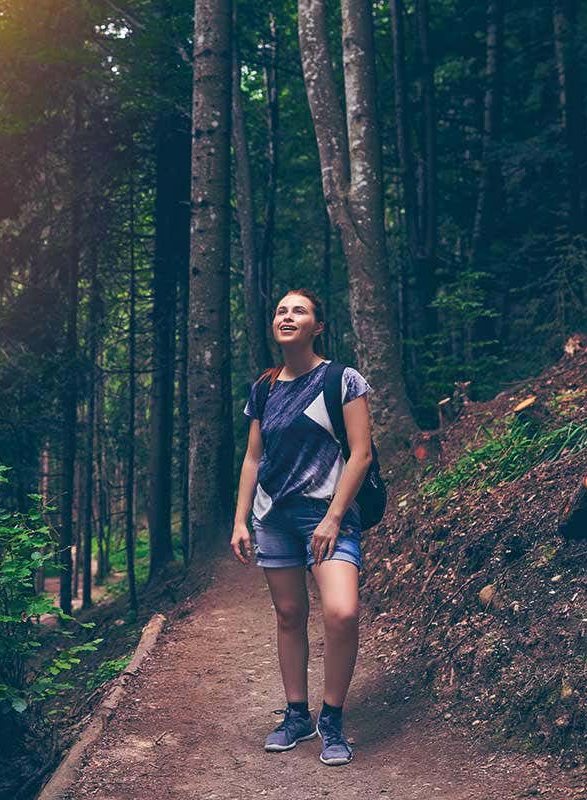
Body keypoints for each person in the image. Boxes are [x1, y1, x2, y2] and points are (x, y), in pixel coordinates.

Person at [230, 288, 374, 767]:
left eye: (299, 311)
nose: (287, 316)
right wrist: (241, 520)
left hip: (327, 516)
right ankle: (297, 714)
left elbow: (361, 454)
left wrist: (334, 516)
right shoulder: (264, 387)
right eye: (280, 311)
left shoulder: (342, 380)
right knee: (289, 614)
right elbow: (253, 458)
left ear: (318, 326)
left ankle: (332, 720)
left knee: (341, 611)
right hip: (273, 518)